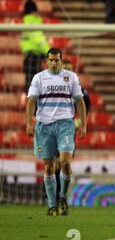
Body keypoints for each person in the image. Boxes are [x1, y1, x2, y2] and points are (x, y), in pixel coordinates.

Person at [26, 48, 87, 216]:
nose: (54, 63)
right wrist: (29, 123)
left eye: (56, 60)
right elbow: (31, 101)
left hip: (65, 124)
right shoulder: (39, 78)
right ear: (47, 61)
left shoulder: (71, 77)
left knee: (65, 161)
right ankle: (52, 204)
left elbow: (80, 101)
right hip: (44, 126)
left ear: (61, 60)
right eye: (51, 60)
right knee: (48, 166)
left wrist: (83, 124)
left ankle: (62, 197)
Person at [21, 0, 50, 91]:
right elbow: (38, 39)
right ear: (35, 10)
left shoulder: (24, 21)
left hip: (28, 57)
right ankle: (35, 105)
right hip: (34, 56)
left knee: (31, 84)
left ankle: (31, 104)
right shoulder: (33, 21)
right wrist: (49, 52)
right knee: (36, 85)